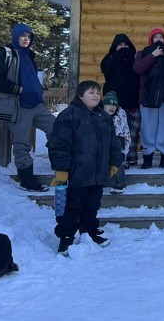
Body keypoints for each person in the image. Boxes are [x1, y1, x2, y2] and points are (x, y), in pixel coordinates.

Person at [49, 81, 123, 255]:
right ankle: (66, 239)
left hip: (98, 172)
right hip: (76, 173)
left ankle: (89, 232)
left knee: (92, 206)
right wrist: (61, 169)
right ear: (80, 96)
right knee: (71, 208)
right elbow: (59, 144)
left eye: (98, 93)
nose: (96, 96)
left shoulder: (103, 117)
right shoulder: (69, 115)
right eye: (91, 92)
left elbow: (113, 142)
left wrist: (114, 162)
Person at [0, 22, 54, 192]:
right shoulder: (5, 53)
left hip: (36, 104)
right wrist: (16, 89)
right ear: (16, 37)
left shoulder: (29, 55)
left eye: (29, 36)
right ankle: (27, 180)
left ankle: (58, 162)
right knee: (21, 143)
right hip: (18, 105)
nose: (26, 39)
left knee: (58, 128)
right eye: (23, 36)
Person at [133, 28, 164, 168]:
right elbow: (137, 69)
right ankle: (148, 157)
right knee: (147, 127)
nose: (158, 39)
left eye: (161, 37)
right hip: (147, 97)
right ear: (151, 40)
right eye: (155, 37)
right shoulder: (142, 53)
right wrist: (152, 56)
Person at [100, 33, 141, 164]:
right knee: (115, 132)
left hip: (132, 102)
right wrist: (119, 55)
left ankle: (131, 158)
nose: (123, 48)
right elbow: (105, 69)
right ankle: (115, 158)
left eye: (125, 45)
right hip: (114, 105)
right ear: (114, 47)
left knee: (132, 133)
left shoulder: (134, 61)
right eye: (120, 45)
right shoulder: (109, 59)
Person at [101, 91, 131, 194]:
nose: (111, 107)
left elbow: (125, 133)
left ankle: (119, 183)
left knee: (116, 157)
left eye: (114, 105)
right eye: (108, 104)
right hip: (101, 143)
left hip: (117, 142)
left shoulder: (120, 115)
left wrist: (125, 150)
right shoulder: (98, 115)